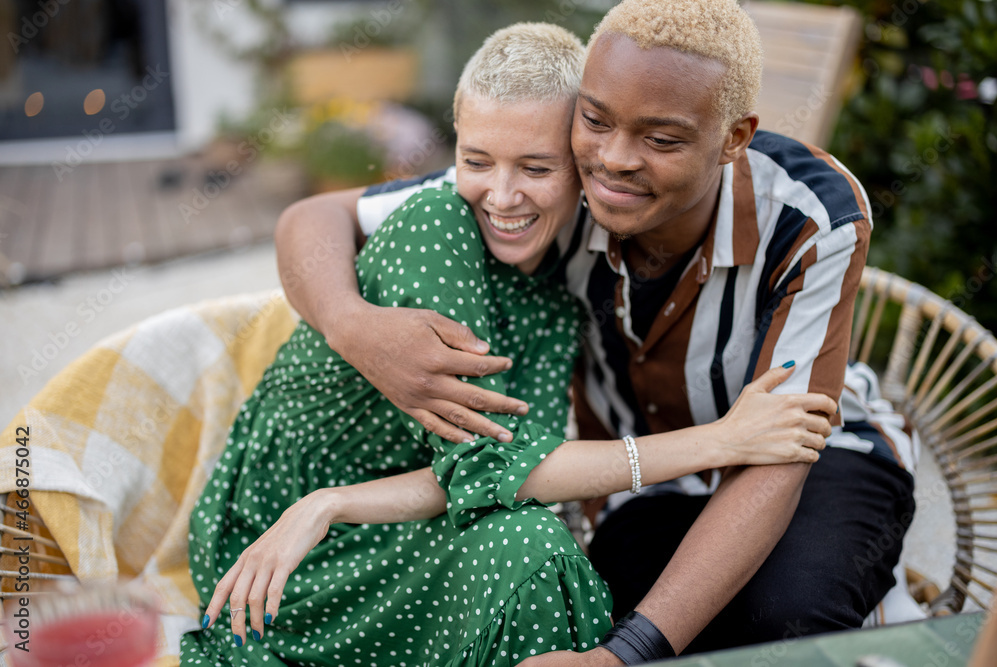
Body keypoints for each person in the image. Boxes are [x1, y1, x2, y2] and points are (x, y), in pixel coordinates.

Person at [273, 0, 917, 663]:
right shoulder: (550, 185)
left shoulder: (811, 215)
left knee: (786, 617)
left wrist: (621, 655)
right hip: (646, 479)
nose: (613, 160)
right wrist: (355, 328)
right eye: (595, 120)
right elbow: (315, 217)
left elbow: (781, 451)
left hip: (817, 460)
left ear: (733, 138)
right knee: (594, 611)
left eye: (661, 139)